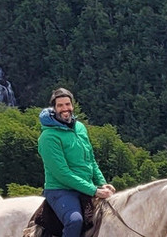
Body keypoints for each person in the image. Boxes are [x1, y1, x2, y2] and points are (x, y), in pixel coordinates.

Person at [37, 87, 115, 237]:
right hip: (61, 190)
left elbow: (90, 160)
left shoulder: (80, 128)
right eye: (60, 105)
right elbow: (62, 173)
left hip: (86, 186)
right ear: (54, 108)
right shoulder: (48, 137)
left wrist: (101, 183)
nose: (65, 108)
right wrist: (94, 191)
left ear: (72, 106)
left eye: (67, 104)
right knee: (75, 221)